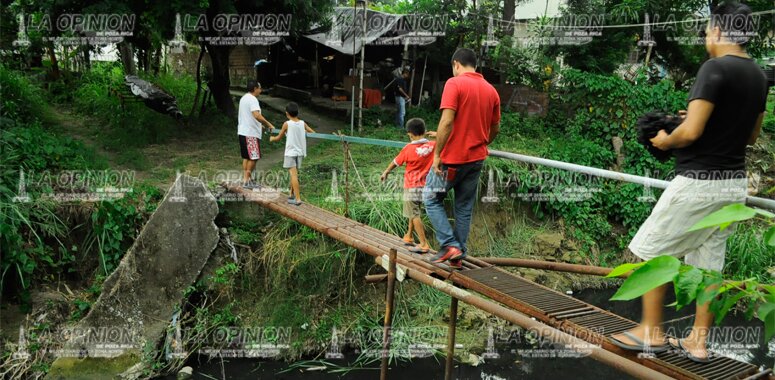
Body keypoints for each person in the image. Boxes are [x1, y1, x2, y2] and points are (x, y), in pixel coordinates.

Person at [610, 2, 768, 363]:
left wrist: (667, 140)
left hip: (698, 182)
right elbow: (751, 136)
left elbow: (692, 131)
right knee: (707, 266)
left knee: (650, 249)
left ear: (717, 30)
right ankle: (698, 342)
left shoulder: (713, 68)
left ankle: (651, 330)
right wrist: (699, 122)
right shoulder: (759, 76)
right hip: (733, 185)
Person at [423, 48, 501, 269]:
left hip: (452, 160)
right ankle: (459, 255)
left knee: (430, 198)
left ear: (456, 64)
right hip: (476, 161)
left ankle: (449, 246)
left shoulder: (454, 84)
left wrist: (437, 154)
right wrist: (483, 143)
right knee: (464, 208)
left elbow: (447, 122)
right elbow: (495, 127)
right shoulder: (491, 91)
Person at [380, 118, 435, 253]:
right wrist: (438, 135)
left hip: (411, 186)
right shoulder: (434, 145)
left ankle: (423, 244)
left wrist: (386, 171)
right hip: (427, 186)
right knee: (415, 210)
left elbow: (395, 162)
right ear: (425, 131)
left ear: (409, 134)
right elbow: (450, 138)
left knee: (414, 214)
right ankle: (409, 236)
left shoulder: (408, 148)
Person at [270, 102, 315, 206]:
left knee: (293, 175)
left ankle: (298, 199)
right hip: (300, 153)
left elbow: (278, 137)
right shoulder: (303, 123)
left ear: (287, 113)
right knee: (294, 175)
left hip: (290, 153)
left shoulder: (287, 124)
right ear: (298, 112)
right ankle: (291, 195)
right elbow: (312, 132)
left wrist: (272, 138)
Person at [238, 80, 275, 188]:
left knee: (247, 157)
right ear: (255, 89)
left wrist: (260, 126)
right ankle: (246, 181)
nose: (261, 90)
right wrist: (268, 124)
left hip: (243, 132)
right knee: (254, 157)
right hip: (251, 134)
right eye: (260, 88)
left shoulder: (244, 98)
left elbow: (248, 116)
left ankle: (247, 179)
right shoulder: (253, 99)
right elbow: (256, 115)